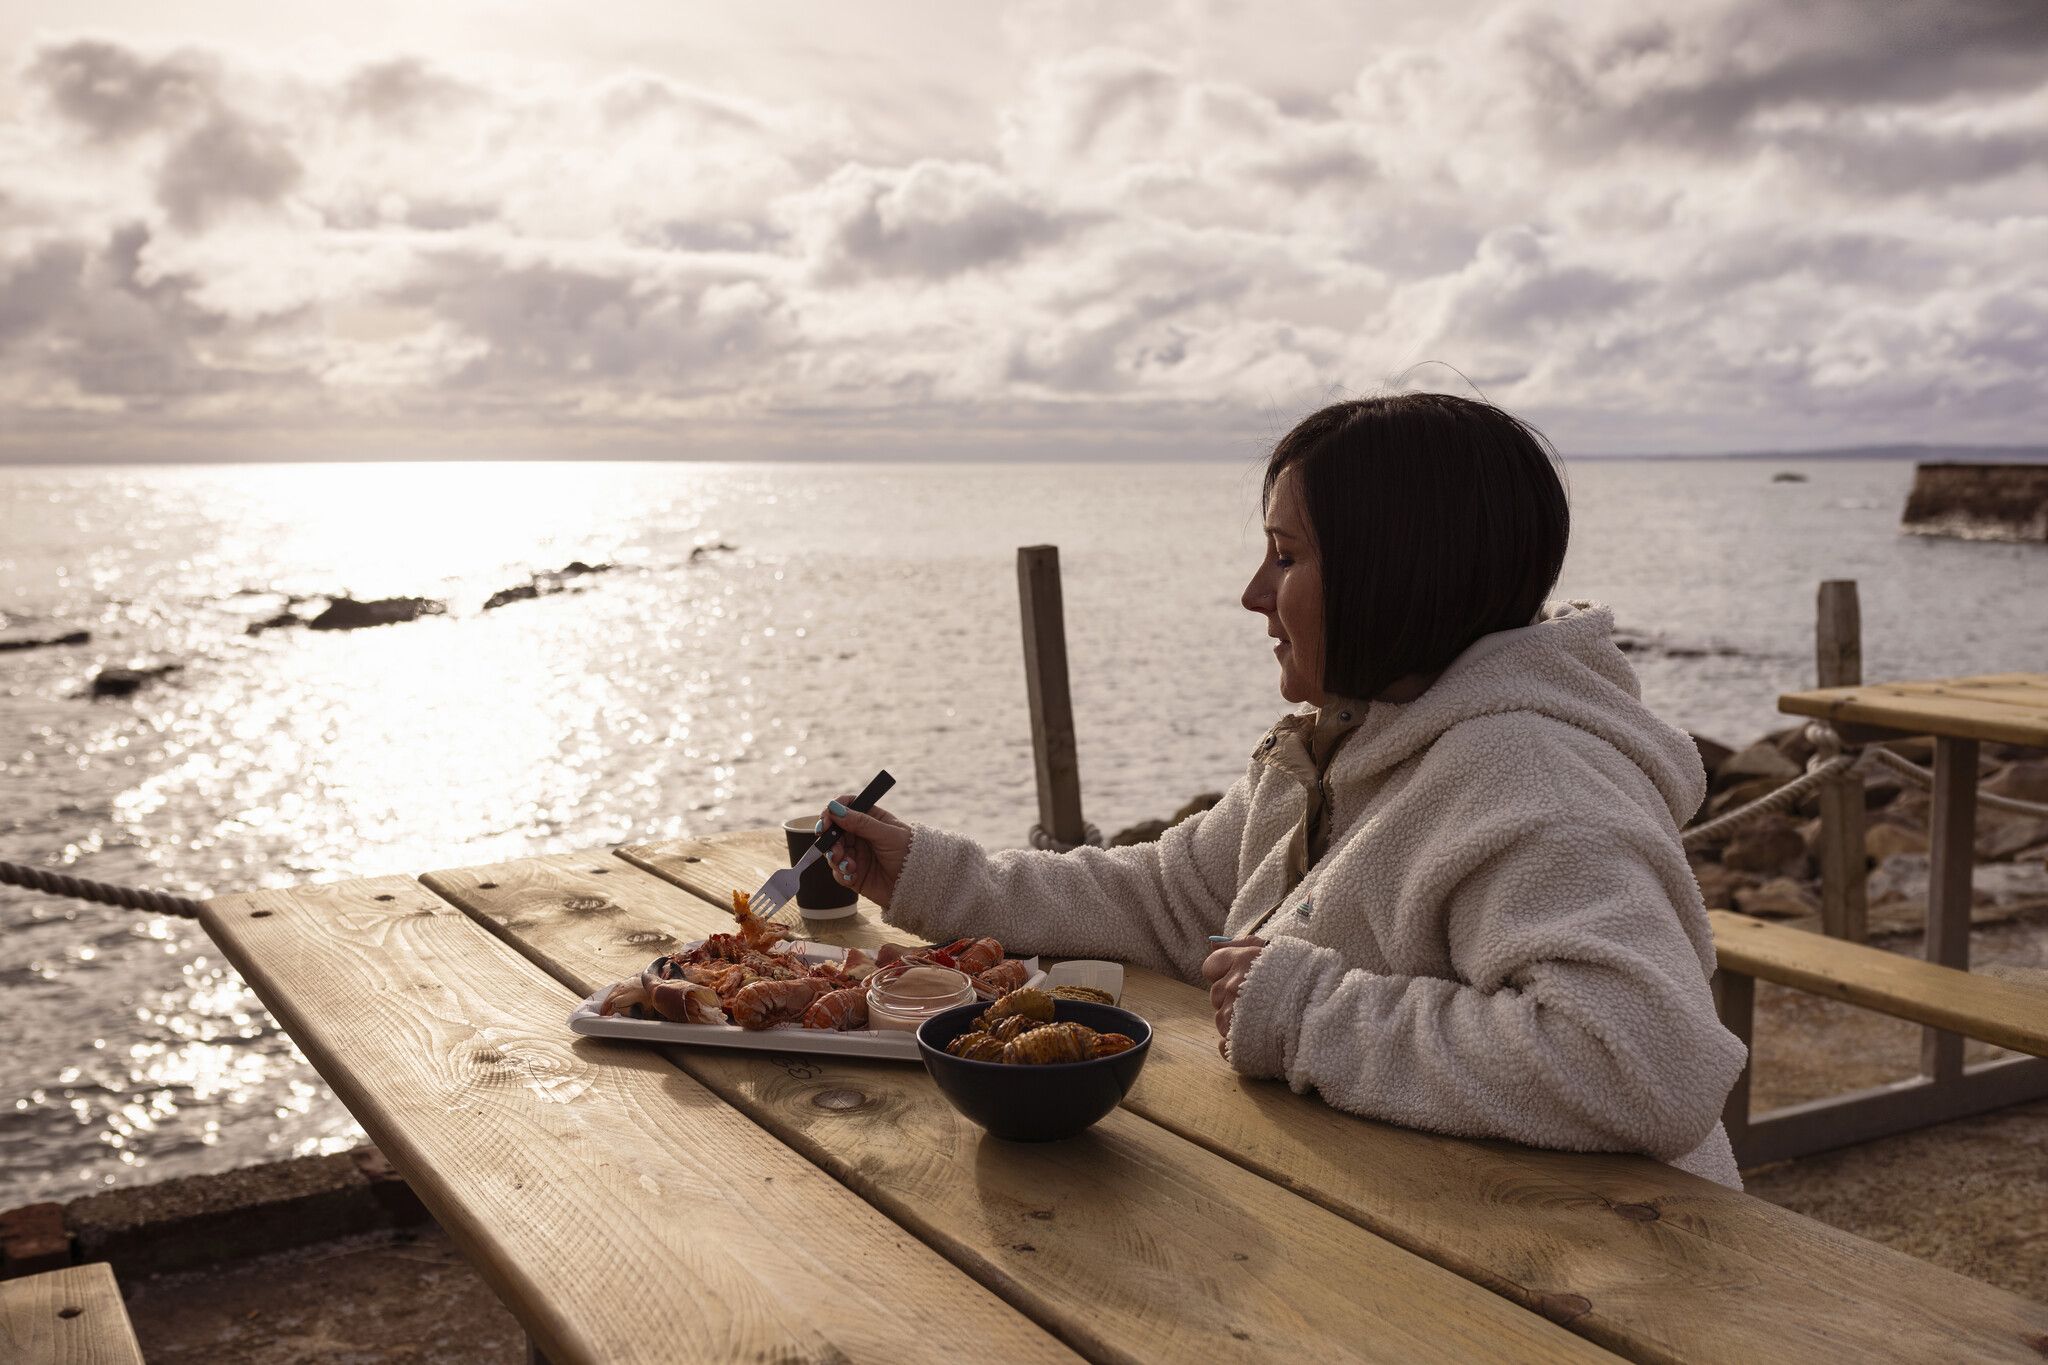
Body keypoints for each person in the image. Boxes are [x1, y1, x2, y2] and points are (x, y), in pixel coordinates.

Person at [816, 392, 1749, 1189]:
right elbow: (1166, 897)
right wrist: (933, 873)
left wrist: (1308, 1012)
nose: (1254, 593)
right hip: (1417, 1239)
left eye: (1287, 556)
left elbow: (1646, 1065)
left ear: (1396, 571)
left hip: (1602, 1293)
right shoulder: (1342, 744)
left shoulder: (1534, 778)